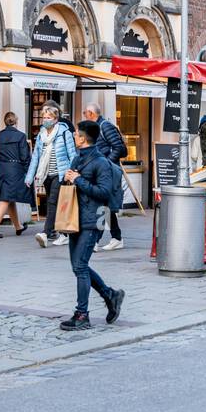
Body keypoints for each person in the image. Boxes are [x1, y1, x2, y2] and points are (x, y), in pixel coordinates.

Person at [59, 119, 125, 331]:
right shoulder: (78, 157)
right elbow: (72, 183)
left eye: (76, 133)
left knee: (80, 266)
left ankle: (82, 315)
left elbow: (103, 192)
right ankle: (110, 295)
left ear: (83, 137)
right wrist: (68, 178)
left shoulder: (100, 162)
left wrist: (77, 179)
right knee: (79, 266)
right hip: (75, 217)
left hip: (94, 218)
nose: (74, 136)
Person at [25, 102, 76, 248]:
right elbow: (36, 156)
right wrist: (29, 177)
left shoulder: (64, 132)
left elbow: (72, 154)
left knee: (53, 202)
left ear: (55, 119)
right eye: (44, 117)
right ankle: (64, 234)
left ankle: (45, 233)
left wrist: (72, 173)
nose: (45, 120)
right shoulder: (41, 134)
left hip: (60, 174)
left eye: (48, 117)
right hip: (46, 174)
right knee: (54, 203)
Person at [84, 103, 128, 252]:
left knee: (101, 205)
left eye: (85, 113)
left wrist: (106, 163)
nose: (84, 115)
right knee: (106, 205)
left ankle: (95, 240)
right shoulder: (96, 128)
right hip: (101, 171)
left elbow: (118, 147)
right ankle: (116, 238)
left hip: (107, 172)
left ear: (91, 114)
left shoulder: (105, 126)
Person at [0, 112, 33, 238]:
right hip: (15, 170)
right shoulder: (21, 136)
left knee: (9, 198)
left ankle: (18, 227)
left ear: (5, 121)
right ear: (16, 122)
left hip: (0, 170)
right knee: (5, 199)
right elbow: (25, 157)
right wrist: (28, 172)